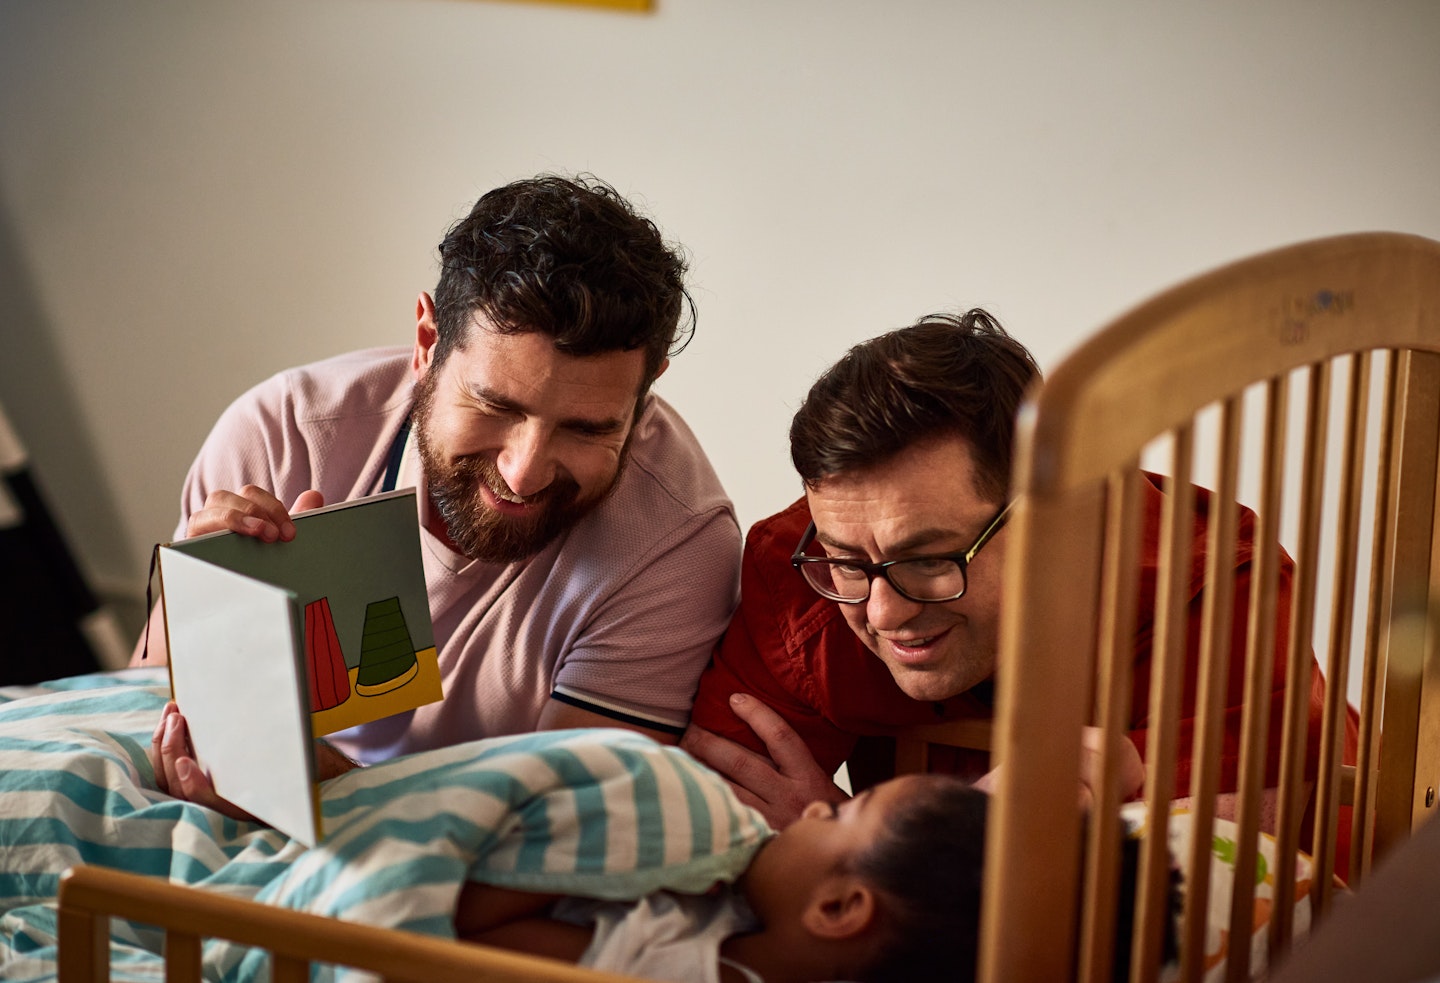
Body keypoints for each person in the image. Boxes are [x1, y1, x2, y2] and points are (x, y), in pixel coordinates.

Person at [681, 310, 1359, 863]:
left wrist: (842, 842)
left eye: (929, 559)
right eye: (848, 558)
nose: (883, 610)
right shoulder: (811, 578)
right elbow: (702, 836)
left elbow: (1190, 888)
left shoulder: (1210, 589)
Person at [132, 173, 740, 771]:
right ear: (427, 341)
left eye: (587, 429)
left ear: (646, 386)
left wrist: (306, 776)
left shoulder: (678, 547)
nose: (524, 472)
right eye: (495, 407)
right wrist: (198, 628)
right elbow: (133, 722)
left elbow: (565, 835)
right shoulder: (284, 435)